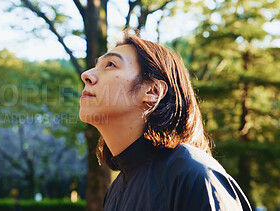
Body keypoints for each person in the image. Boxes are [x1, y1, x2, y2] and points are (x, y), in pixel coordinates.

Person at [79, 31, 252, 210]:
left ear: (152, 91)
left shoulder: (194, 175)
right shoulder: (115, 190)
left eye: (110, 65)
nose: (86, 75)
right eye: (96, 65)